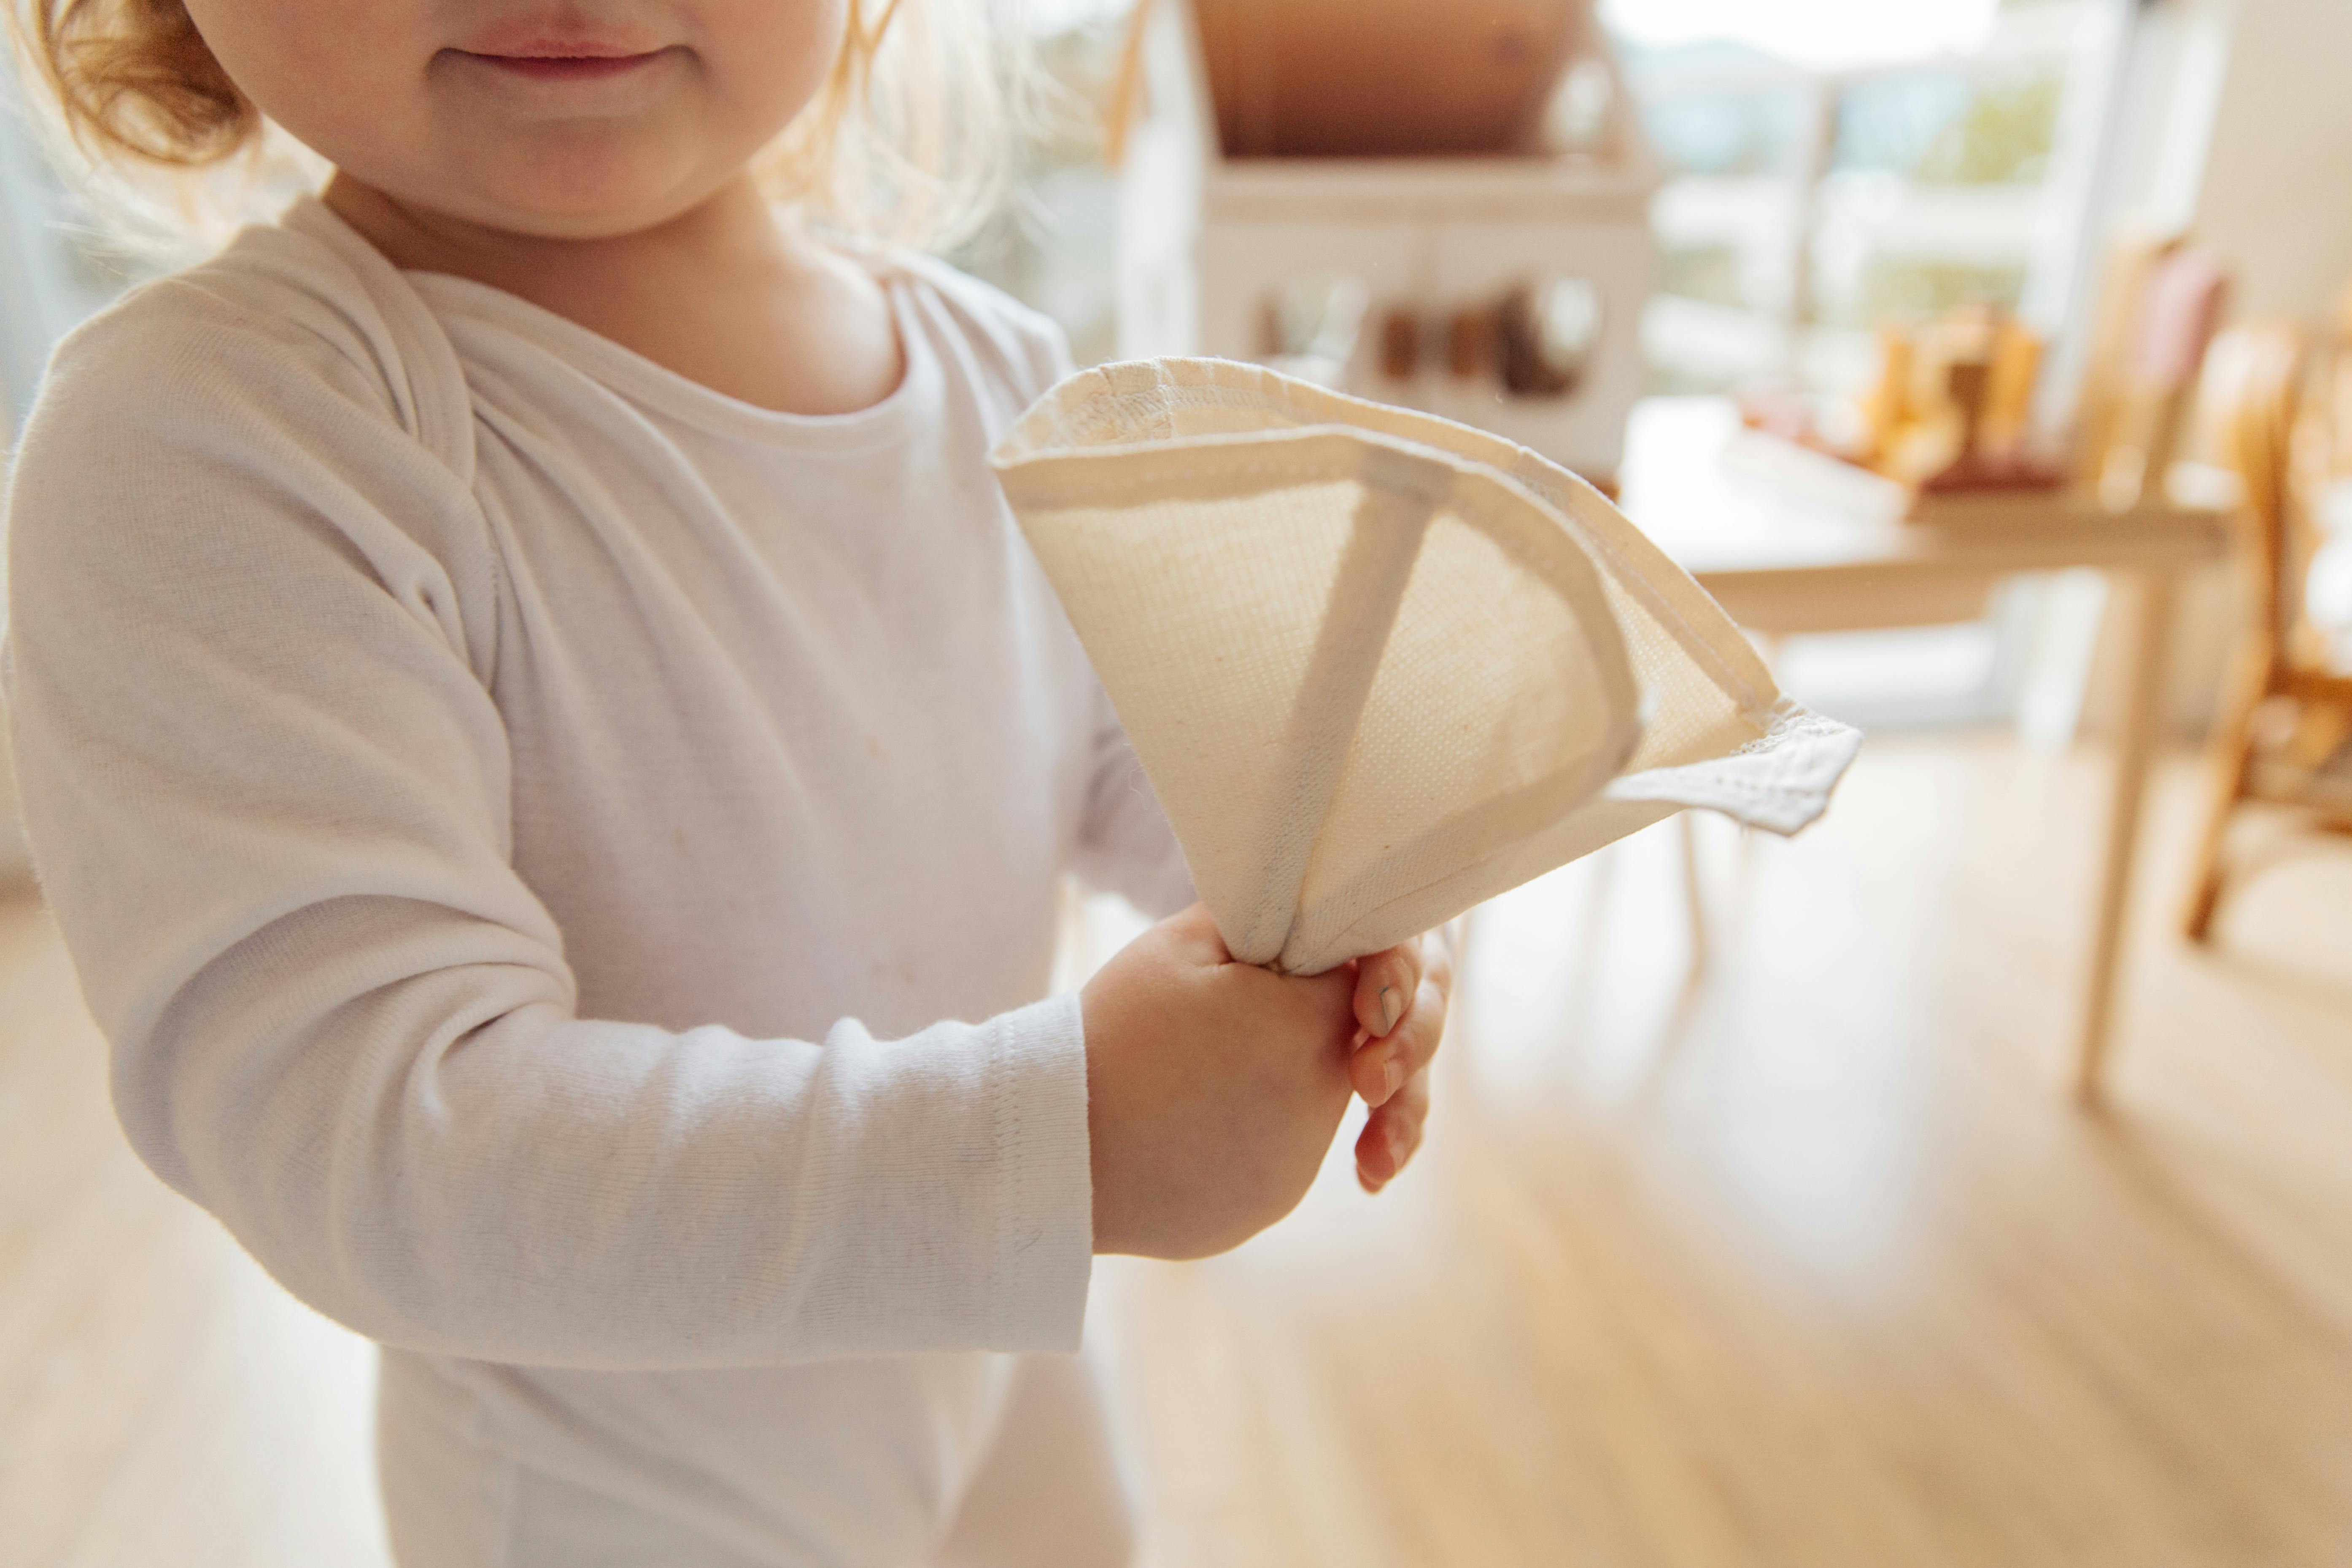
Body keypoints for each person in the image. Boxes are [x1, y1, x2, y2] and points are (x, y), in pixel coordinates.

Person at [1, 2, 1455, 1563]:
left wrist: (1329, 907)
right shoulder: (226, 433)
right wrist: (1061, 1140)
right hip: (616, 1506)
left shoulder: (995, 371)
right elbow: (382, 1131)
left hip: (990, 1373)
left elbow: (1134, 766)